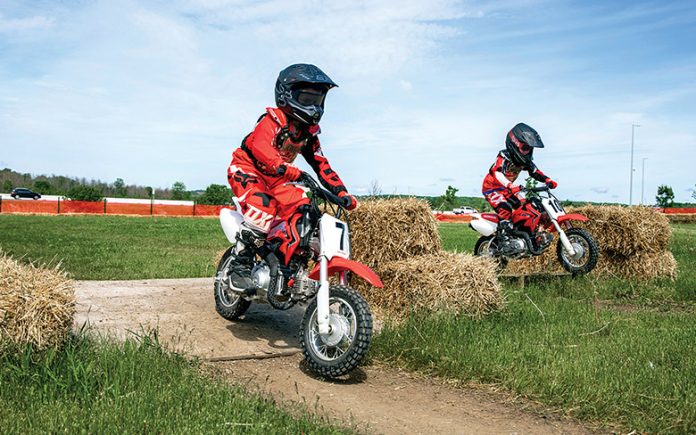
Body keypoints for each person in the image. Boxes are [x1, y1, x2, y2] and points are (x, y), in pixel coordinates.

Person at [226, 63, 358, 291]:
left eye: (318, 101)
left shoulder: (308, 135)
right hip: (248, 170)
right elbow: (259, 147)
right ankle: (240, 266)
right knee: (263, 207)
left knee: (305, 208)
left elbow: (322, 165)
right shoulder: (273, 121)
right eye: (307, 99)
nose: (314, 107)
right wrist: (283, 167)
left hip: (278, 179)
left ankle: (287, 263)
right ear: (286, 95)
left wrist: (342, 192)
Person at [481, 123, 557, 235]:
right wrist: (509, 185)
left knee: (526, 207)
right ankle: (503, 238)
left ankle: (521, 234)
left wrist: (548, 180)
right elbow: (496, 172)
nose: (528, 152)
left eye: (530, 149)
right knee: (505, 210)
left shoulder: (524, 161)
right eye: (525, 148)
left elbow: (534, 172)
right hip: (492, 189)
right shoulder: (504, 156)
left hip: (508, 190)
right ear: (514, 144)